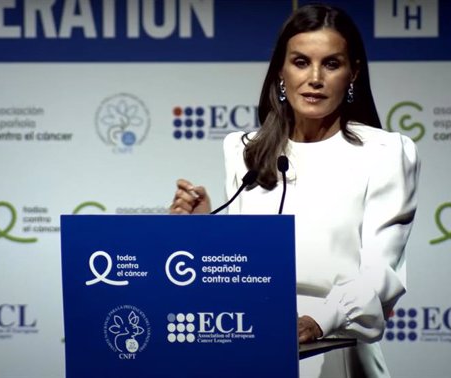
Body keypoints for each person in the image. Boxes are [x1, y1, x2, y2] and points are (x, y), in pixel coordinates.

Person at [169, 4, 420, 378]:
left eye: (331, 64)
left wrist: (319, 320)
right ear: (281, 72)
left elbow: (381, 271)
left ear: (353, 72)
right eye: (301, 62)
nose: (315, 78)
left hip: (338, 350)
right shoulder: (244, 149)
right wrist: (203, 228)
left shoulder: (385, 153)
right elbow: (238, 269)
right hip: (254, 346)